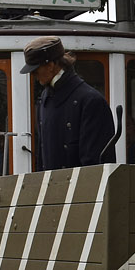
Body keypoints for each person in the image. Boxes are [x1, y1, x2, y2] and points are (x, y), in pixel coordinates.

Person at [21, 35, 115, 170]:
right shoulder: (45, 97)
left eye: (35, 70)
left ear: (50, 66)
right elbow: (44, 158)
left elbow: (95, 166)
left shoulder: (91, 101)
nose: (33, 76)